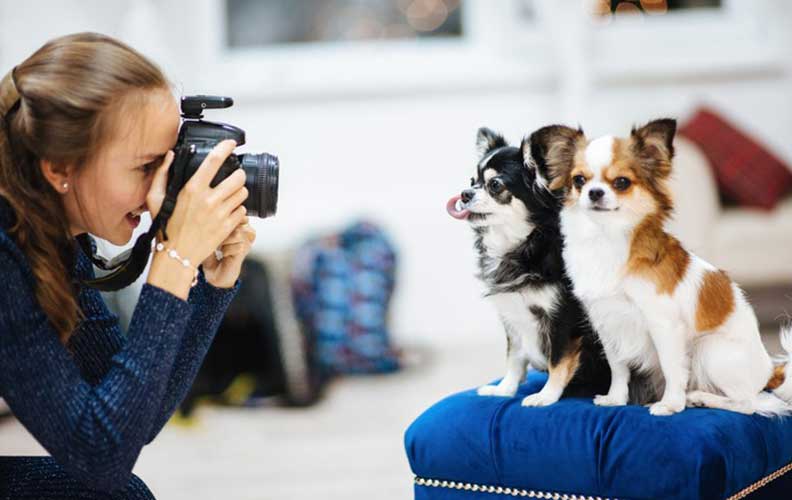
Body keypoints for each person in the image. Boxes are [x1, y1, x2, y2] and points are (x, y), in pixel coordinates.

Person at [0, 33, 256, 498]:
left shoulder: (50, 235)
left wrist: (208, 284)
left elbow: (132, 418)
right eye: (146, 166)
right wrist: (171, 261)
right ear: (60, 168)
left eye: (169, 163)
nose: (164, 186)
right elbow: (99, 454)